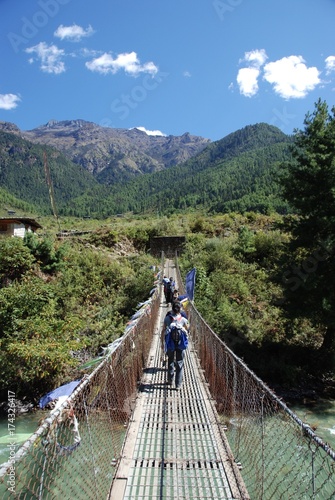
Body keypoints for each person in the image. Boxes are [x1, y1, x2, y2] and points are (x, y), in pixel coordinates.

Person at [162, 301, 189, 390]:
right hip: (180, 344)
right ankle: (178, 385)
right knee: (180, 363)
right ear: (180, 309)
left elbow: (163, 330)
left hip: (170, 343)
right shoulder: (183, 319)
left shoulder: (167, 318)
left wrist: (162, 343)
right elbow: (188, 329)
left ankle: (170, 380)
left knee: (170, 360)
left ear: (172, 309)